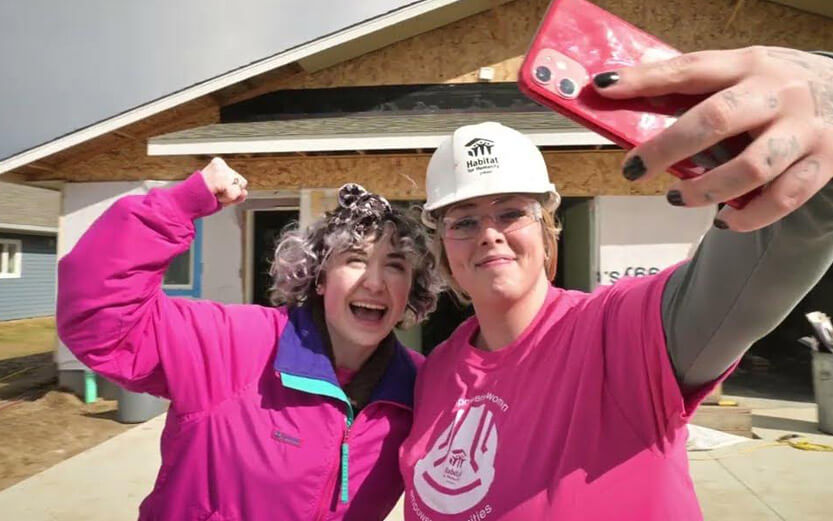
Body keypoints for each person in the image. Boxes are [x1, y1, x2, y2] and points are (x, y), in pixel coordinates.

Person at [399, 46, 833, 520]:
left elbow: (779, 244)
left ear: (547, 230)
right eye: (464, 221)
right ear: (442, 245)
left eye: (510, 212)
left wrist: (821, 111)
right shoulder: (437, 371)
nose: (489, 234)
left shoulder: (621, 336)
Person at [56, 159, 440, 521]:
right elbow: (101, 320)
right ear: (320, 278)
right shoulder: (234, 344)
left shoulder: (423, 388)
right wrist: (179, 205)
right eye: (355, 259)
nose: (374, 283)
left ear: (412, 287)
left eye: (395, 265)